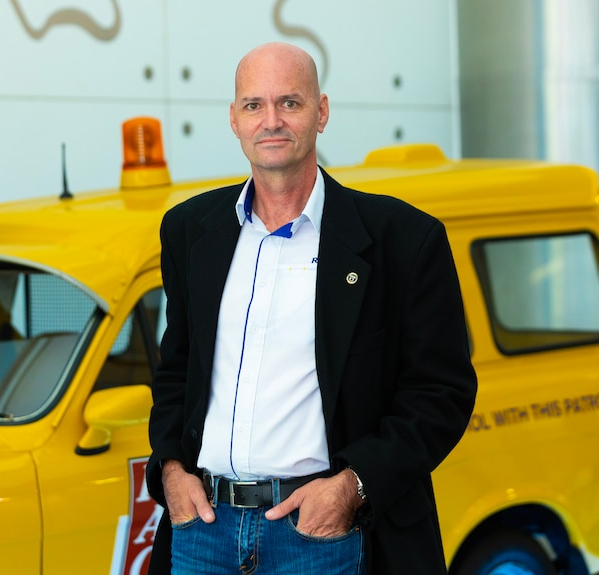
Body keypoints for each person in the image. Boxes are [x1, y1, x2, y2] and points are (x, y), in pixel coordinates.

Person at [145, 42, 477, 574]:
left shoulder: (403, 239)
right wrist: (170, 472)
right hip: (202, 532)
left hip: (321, 534)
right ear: (233, 119)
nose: (270, 120)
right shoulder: (189, 231)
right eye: (253, 105)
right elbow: (177, 370)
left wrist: (352, 488)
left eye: (289, 103)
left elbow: (441, 393)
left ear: (321, 112)